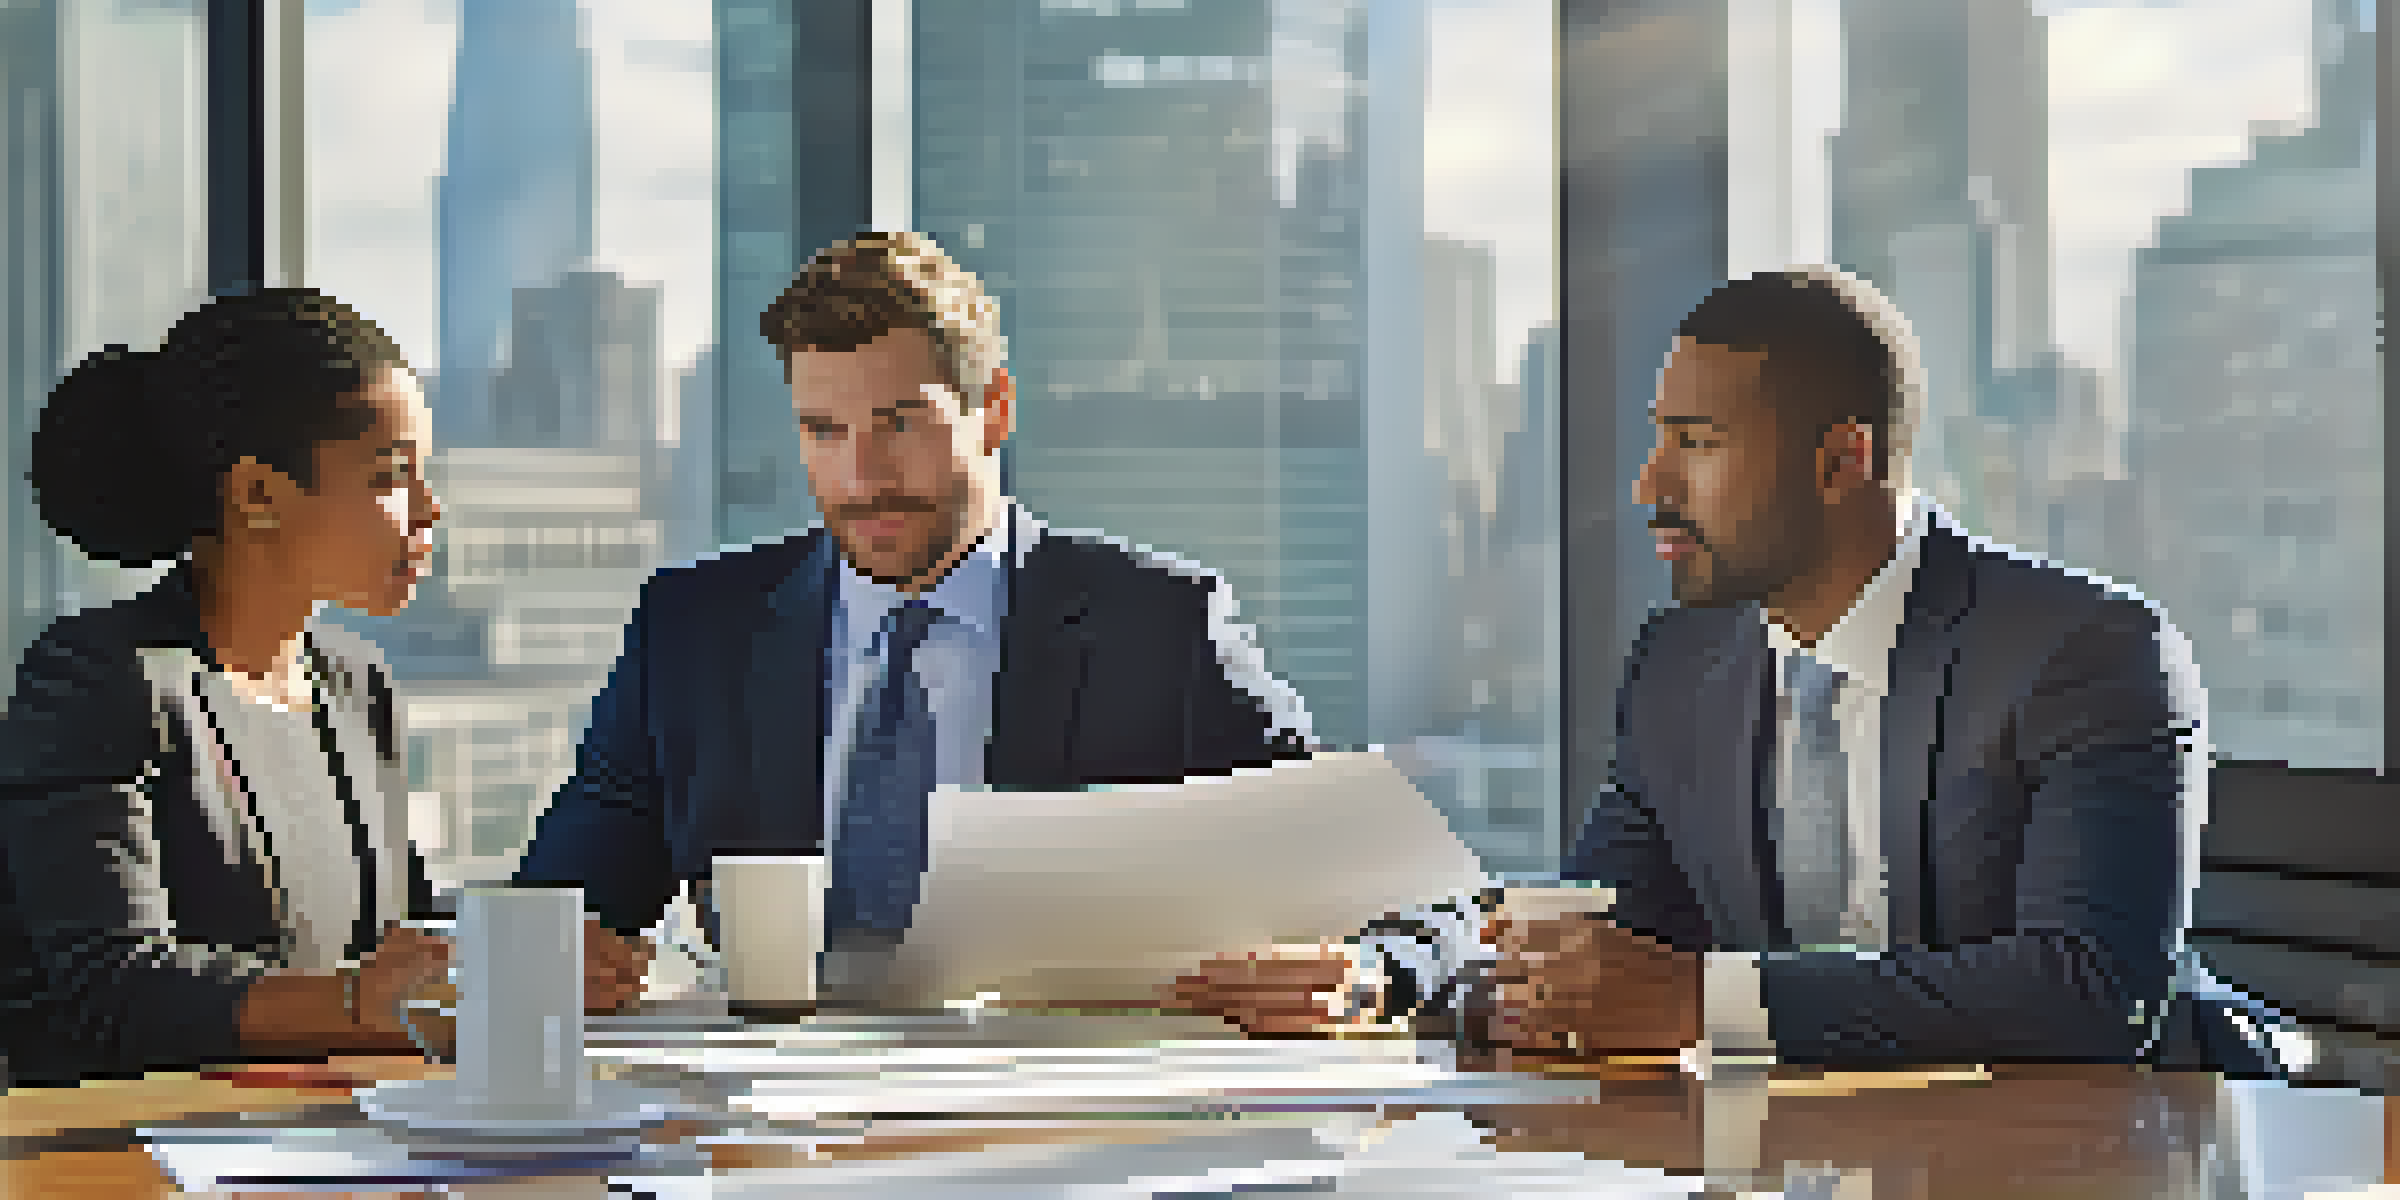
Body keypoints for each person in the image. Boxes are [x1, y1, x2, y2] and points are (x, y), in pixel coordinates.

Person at [1169, 267, 2284, 1074]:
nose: (1651, 484)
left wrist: (1710, 1002)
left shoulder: (2082, 651)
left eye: (1697, 443)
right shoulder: (1684, 663)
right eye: (1659, 437)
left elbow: (2092, 995)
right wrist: (1390, 973)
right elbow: (1599, 916)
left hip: (2118, 1153)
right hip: (1825, 1154)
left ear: (1843, 459)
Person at [513, 232, 1313, 981]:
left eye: (901, 425)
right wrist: (554, 955)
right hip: (774, 1108)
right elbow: (562, 911)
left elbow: (1384, 880)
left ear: (991, 410)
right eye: (824, 431)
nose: (862, 478)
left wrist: (1374, 974)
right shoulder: (694, 631)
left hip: (1061, 1105)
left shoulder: (1161, 628)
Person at [0, 289, 645, 1085]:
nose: (428, 510)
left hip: (326, 1143)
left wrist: (517, 955)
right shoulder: (102, 678)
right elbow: (116, 990)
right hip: (124, 1154)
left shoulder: (355, 684)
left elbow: (393, 939)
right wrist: (359, 1002)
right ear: (258, 494)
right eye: (390, 475)